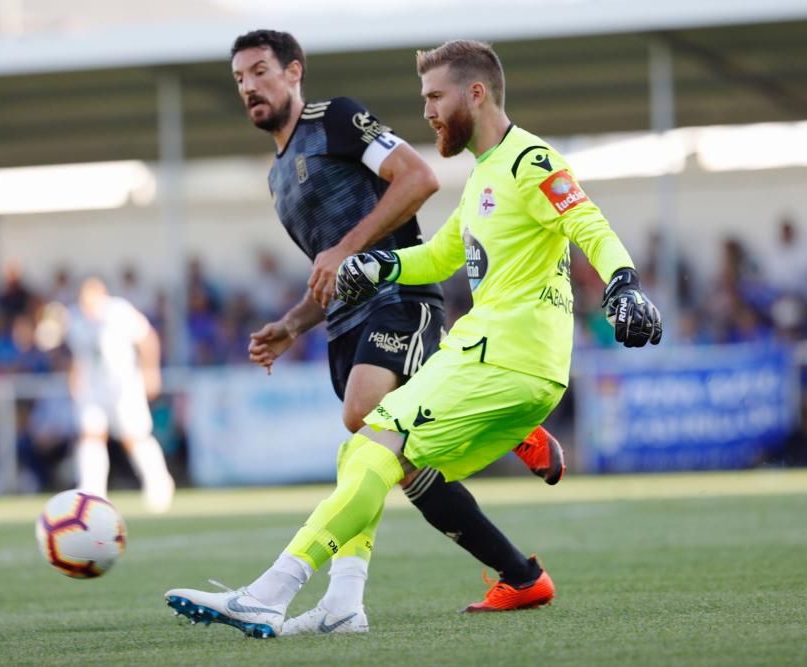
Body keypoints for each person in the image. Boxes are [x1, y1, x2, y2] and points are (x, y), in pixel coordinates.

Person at [166, 39, 661, 638]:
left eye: (434, 97)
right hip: (503, 364)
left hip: (502, 358)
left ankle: (271, 593)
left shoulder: (529, 160)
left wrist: (624, 284)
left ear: (475, 94)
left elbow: (588, 220)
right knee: (374, 455)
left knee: (372, 443)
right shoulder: (485, 174)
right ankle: (349, 602)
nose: (425, 112)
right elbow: (438, 253)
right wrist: (381, 266)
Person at [226, 30, 566, 634]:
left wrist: (348, 247)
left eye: (260, 71)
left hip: (400, 297)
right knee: (389, 462)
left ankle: (516, 429)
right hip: (344, 322)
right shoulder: (277, 178)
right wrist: (291, 324)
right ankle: (514, 576)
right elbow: (329, 272)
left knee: (365, 420)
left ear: (294, 71)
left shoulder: (335, 119)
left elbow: (417, 178)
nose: (250, 86)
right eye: (240, 79)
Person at [40, 277, 175, 513]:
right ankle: (92, 492)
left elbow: (147, 338)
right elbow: (76, 353)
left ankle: (159, 482)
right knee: (91, 436)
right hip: (92, 388)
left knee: (134, 437)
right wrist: (74, 376)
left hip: (123, 385)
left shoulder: (119, 311)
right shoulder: (74, 318)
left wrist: (150, 371)